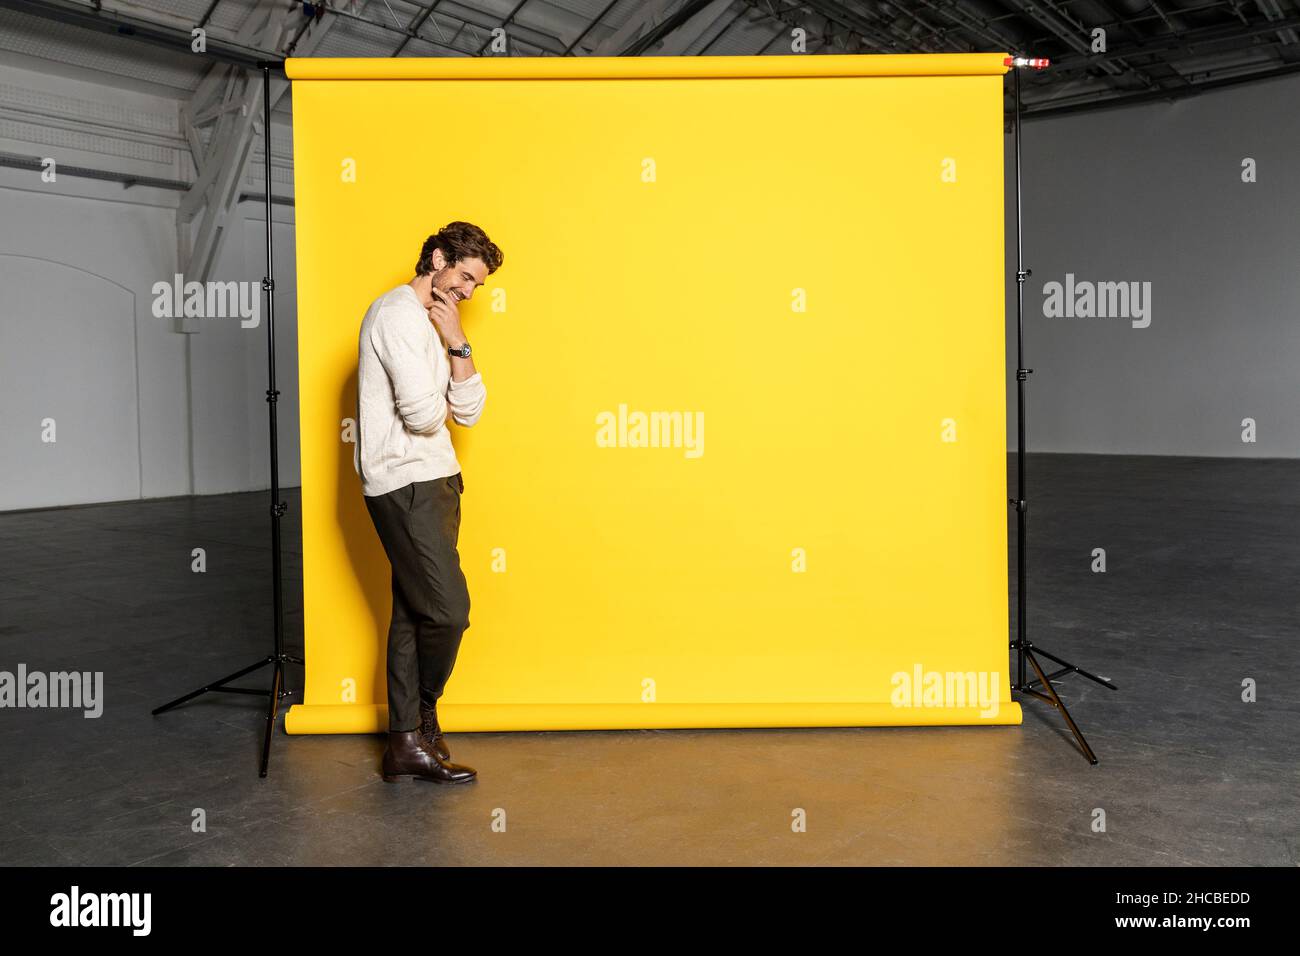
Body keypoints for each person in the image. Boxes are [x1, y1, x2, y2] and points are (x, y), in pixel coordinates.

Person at [354, 221, 504, 783]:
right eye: (464, 275)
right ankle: (422, 717)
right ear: (437, 258)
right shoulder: (394, 313)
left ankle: (403, 747)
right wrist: (446, 374)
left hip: (437, 481)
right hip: (404, 484)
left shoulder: (439, 321)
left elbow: (467, 411)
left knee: (414, 615)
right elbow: (421, 416)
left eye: (475, 285)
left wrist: (457, 340)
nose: (467, 290)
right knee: (448, 611)